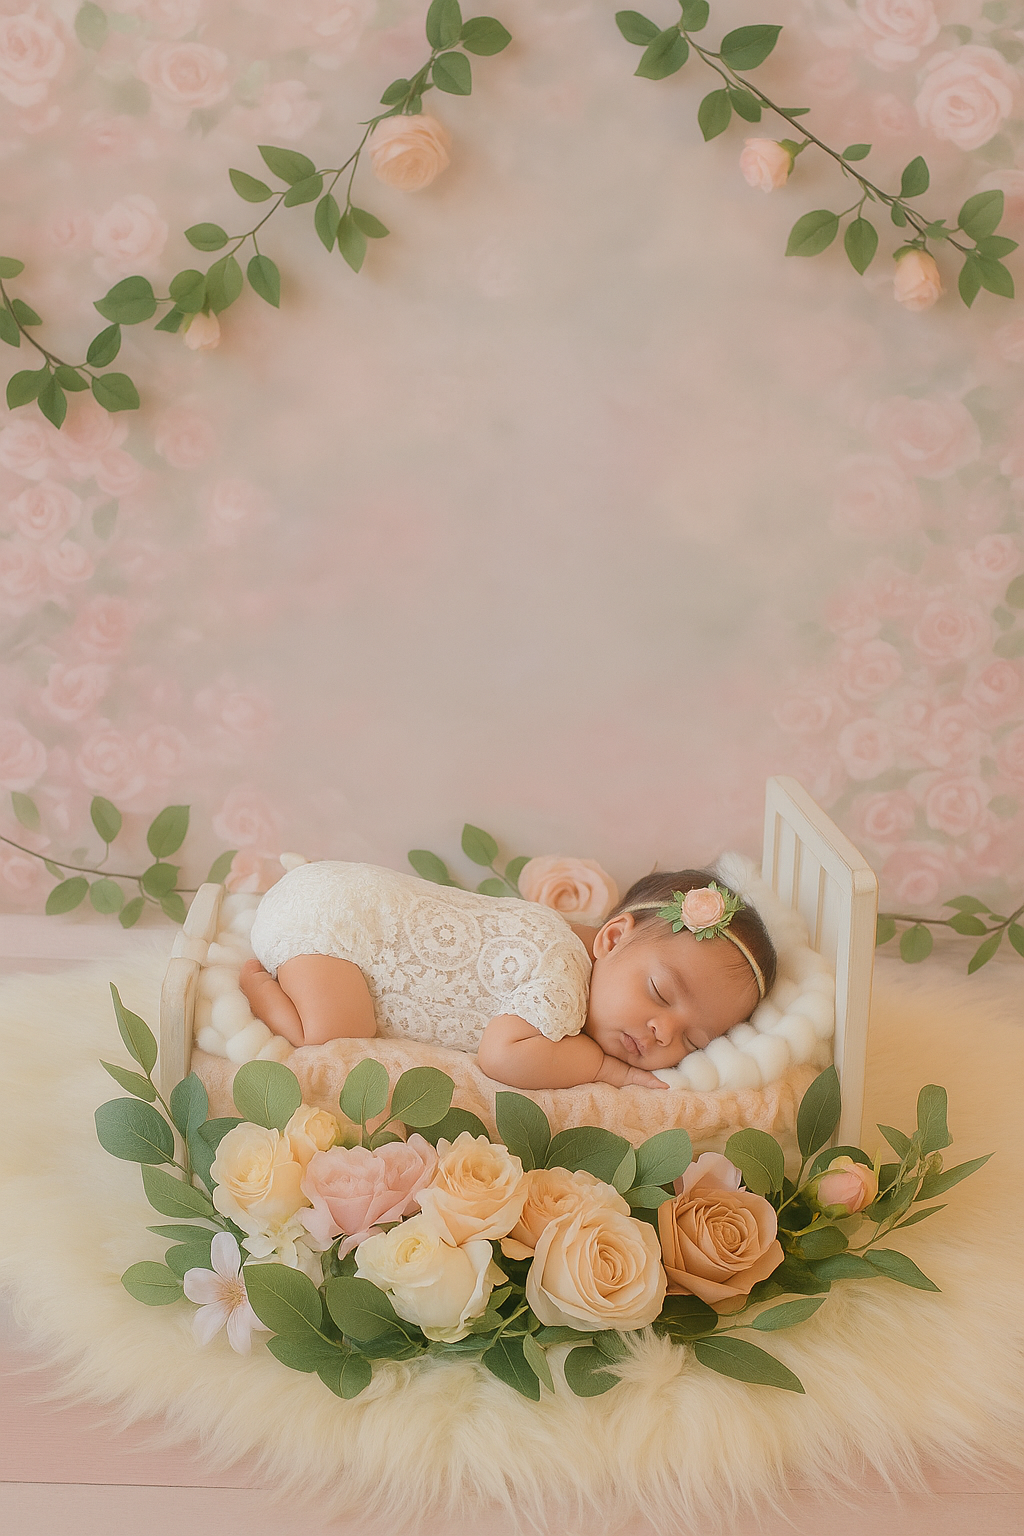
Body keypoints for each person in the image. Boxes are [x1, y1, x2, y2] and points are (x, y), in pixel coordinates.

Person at [239, 863, 777, 1091]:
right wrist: (602, 1070)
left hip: (338, 897)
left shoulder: (574, 943)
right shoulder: (563, 970)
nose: (663, 1032)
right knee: (332, 1033)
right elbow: (503, 1055)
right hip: (329, 922)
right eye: (659, 994)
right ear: (609, 938)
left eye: (692, 1039)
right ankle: (261, 986)